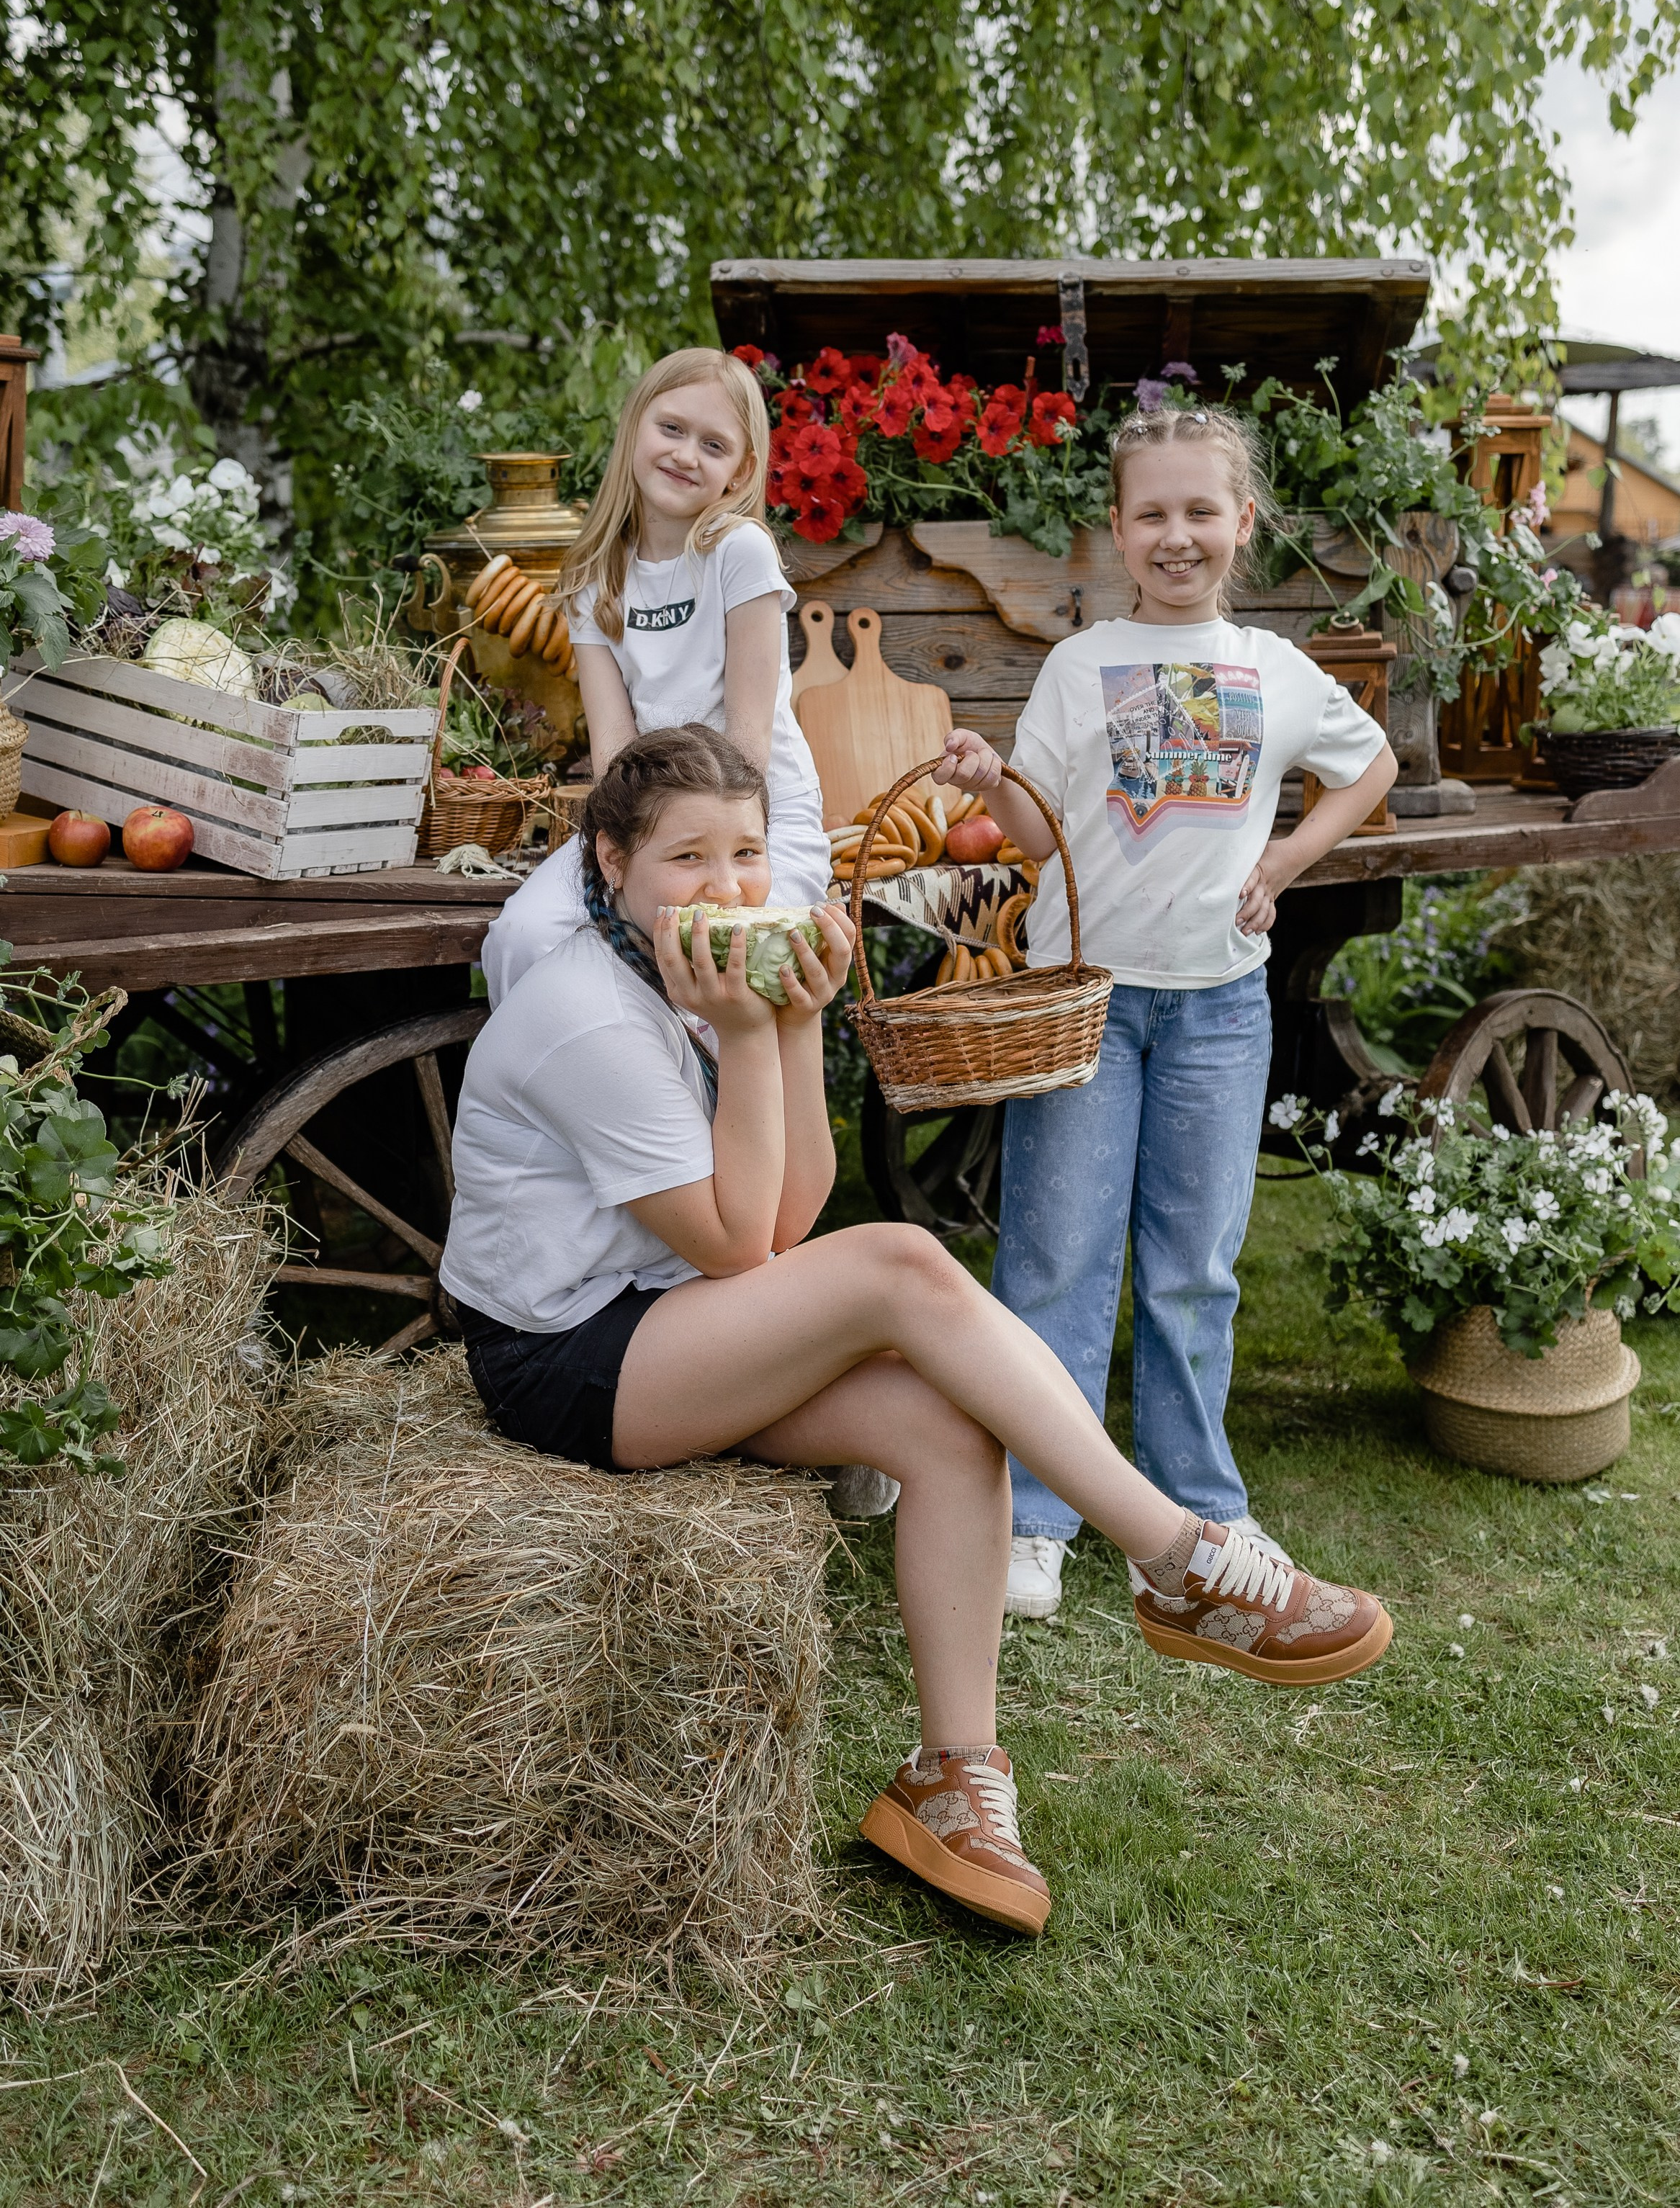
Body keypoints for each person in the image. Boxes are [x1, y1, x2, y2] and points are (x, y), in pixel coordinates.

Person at [439, 724, 1393, 1939]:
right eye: (687, 858)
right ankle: (1176, 1559)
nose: (728, 887)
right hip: (562, 1360)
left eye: (746, 852)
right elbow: (743, 1249)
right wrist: (744, 1032)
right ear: (612, 860)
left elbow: (781, 1221)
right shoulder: (585, 1007)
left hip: (668, 1317)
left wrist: (789, 1024)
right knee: (898, 1257)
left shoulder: (684, 970)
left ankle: (952, 1781)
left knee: (948, 1423)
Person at [933, 401, 1401, 1622]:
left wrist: (1288, 863)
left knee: (1195, 1265)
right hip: (1083, 1004)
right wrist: (994, 782)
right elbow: (1032, 835)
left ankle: (1199, 1505)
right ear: (1117, 528)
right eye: (1152, 513)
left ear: (1240, 523)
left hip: (1217, 1010)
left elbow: (1371, 769)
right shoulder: (1080, 666)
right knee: (1055, 1256)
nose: (1176, 535)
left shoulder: (1276, 673)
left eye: (1201, 510)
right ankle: (1035, 1514)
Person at [478, 345, 830, 1006]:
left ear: (741, 470)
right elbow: (613, 747)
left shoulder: (738, 552)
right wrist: (635, 851)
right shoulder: (593, 579)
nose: (685, 454)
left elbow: (748, 743)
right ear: (636, 425)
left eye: (712, 444)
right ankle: (551, 1094)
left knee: (721, 966)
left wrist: (688, 857)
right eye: (670, 429)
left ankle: (707, 1102)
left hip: (755, 826)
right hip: (645, 823)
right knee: (521, 938)